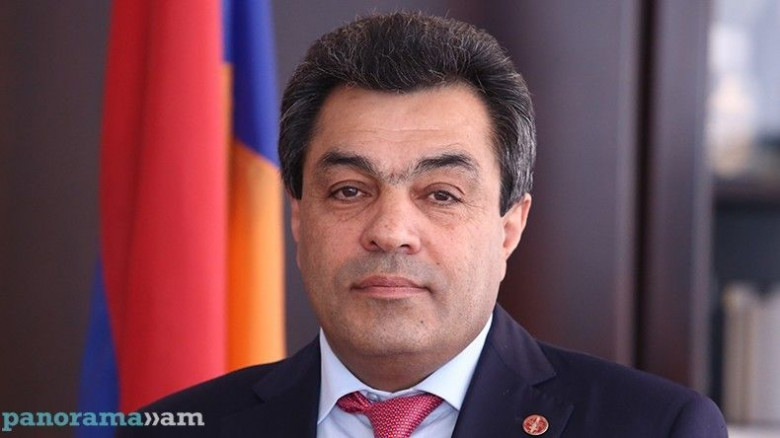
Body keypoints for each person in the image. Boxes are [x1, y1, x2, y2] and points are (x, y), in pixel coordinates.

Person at [120, 11, 727, 437]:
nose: (390, 231)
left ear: (509, 227)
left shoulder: (654, 427)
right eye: (350, 190)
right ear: (299, 217)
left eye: (440, 194)